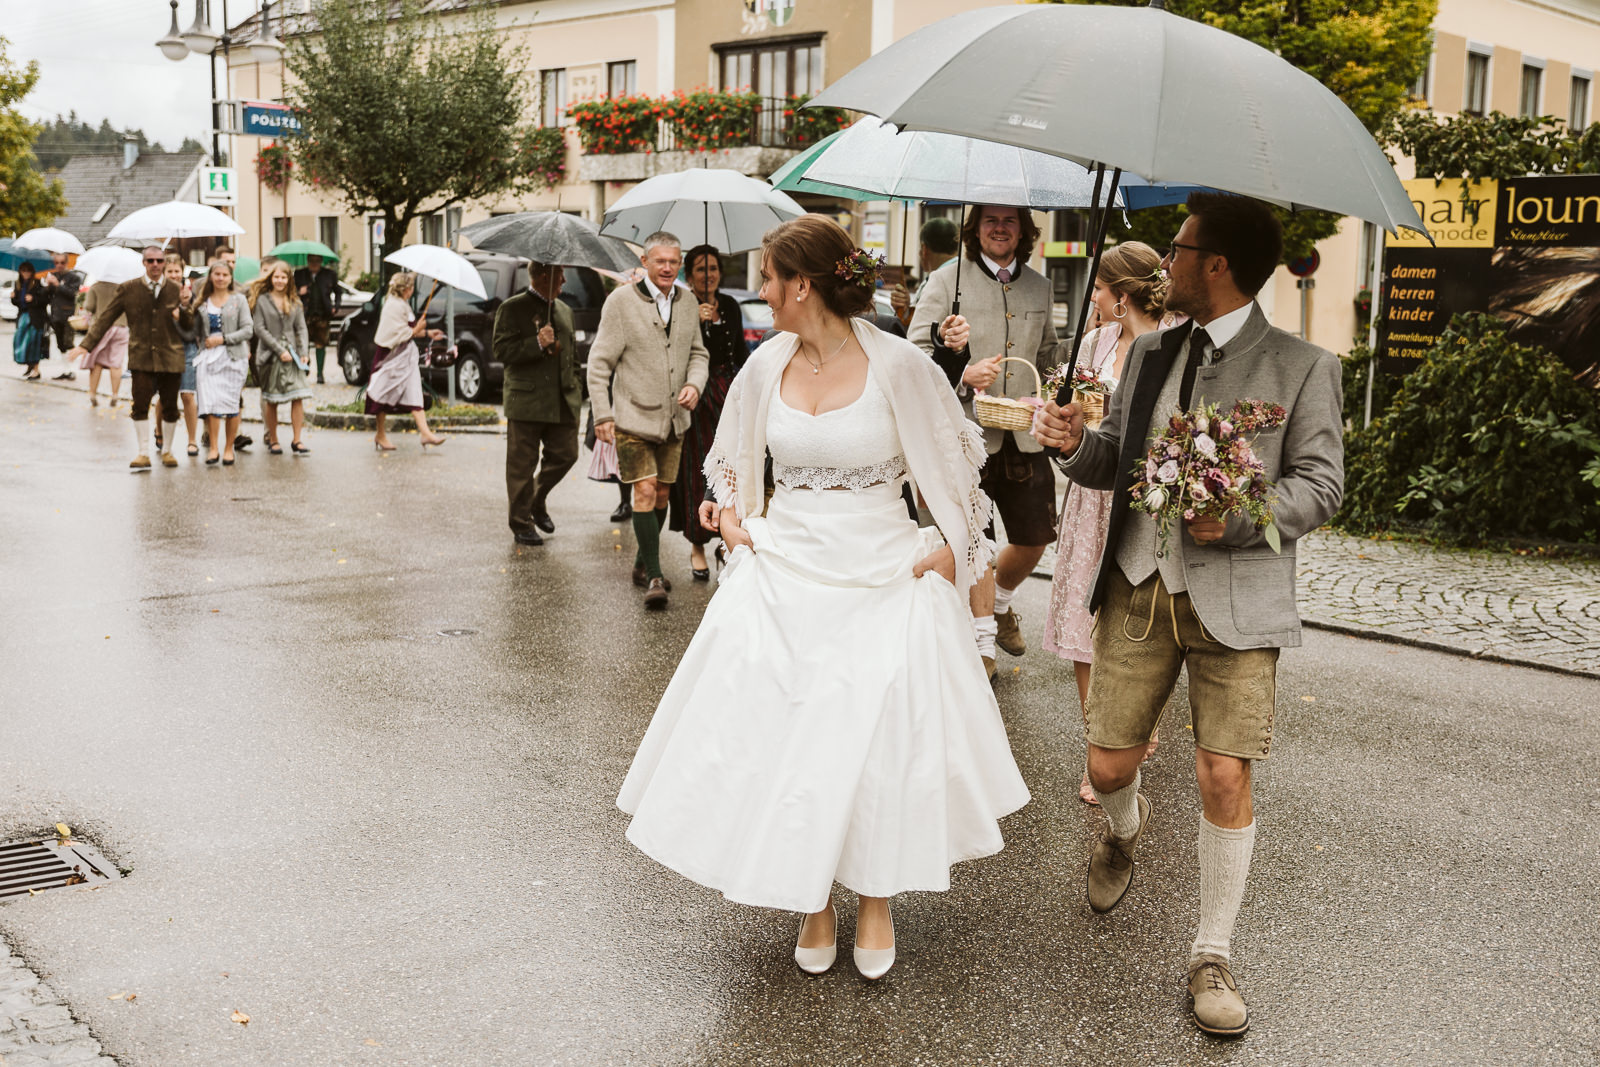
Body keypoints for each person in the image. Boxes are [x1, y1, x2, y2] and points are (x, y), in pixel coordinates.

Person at [617, 214, 1029, 980]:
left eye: (770, 277)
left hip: (880, 575)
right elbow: (731, 460)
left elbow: (961, 481)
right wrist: (730, 515)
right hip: (786, 568)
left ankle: (874, 897)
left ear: (803, 284)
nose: (761, 290)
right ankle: (813, 899)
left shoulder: (902, 365)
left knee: (872, 743)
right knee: (789, 736)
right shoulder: (764, 362)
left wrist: (949, 548)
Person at [1032, 193, 1344, 1036]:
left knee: (1222, 771)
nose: (1165, 259)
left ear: (1218, 264)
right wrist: (1070, 443)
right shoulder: (1151, 353)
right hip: (1138, 584)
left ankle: (1212, 951)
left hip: (1239, 601)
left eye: (1178, 247)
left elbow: (1321, 484)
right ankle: (1124, 833)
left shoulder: (1304, 365)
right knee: (1105, 767)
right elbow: (1115, 462)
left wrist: (1239, 514)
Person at [909, 204, 1060, 681]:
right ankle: (981, 648)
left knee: (1036, 537)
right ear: (975, 230)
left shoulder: (1040, 285)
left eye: (1009, 221)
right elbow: (913, 352)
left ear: (1024, 231)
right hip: (967, 435)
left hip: (1026, 435)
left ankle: (1001, 602)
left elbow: (1051, 353)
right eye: (990, 221)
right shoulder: (945, 280)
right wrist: (962, 374)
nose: (1000, 228)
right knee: (976, 543)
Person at [1040, 242, 1168, 805]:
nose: (1091, 296)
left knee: (1136, 623)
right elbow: (1070, 409)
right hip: (1087, 500)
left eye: (1098, 288)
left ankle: (1134, 728)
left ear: (1121, 298)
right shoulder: (1091, 343)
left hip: (1140, 500)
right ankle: (1100, 748)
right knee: (1080, 625)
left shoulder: (1171, 345)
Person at [586, 231, 709, 610]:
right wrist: (603, 414)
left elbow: (698, 354)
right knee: (644, 490)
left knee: (661, 495)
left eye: (674, 261)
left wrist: (694, 384)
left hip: (676, 422)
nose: (668, 267)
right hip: (632, 418)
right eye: (660, 261)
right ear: (645, 263)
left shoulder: (688, 302)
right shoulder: (620, 303)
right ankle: (655, 577)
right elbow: (599, 363)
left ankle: (643, 562)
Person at [68, 246, 190, 470]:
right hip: (141, 356)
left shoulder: (176, 289)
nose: (155, 265)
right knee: (140, 404)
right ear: (144, 263)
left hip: (171, 356)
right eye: (150, 261)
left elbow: (190, 326)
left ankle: (168, 451)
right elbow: (105, 318)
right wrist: (85, 345)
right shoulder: (129, 288)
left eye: (159, 261)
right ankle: (143, 452)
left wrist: (184, 307)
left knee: (171, 406)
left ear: (164, 263)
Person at [669, 244, 747, 579]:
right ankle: (697, 544)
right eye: (701, 269)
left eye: (713, 268)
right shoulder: (682, 305)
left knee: (733, 464)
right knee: (698, 468)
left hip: (729, 392)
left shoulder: (729, 304)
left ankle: (726, 534)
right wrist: (698, 326)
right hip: (697, 394)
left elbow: (740, 350)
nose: (709, 275)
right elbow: (679, 353)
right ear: (689, 274)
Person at [495, 260, 579, 545]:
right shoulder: (512, 307)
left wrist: (576, 387)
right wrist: (537, 343)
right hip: (526, 401)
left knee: (567, 454)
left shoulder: (565, 311)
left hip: (562, 400)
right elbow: (502, 350)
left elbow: (572, 355)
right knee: (521, 466)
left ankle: (535, 498)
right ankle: (520, 523)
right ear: (545, 276)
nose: (564, 282)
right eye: (561, 275)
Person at [366, 271, 446, 451]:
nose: (412, 291)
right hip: (389, 356)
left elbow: (407, 331)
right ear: (405, 289)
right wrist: (418, 327)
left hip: (405, 357)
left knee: (414, 391)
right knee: (382, 392)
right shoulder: (392, 305)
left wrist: (427, 332)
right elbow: (397, 333)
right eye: (411, 288)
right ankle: (380, 434)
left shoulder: (403, 304)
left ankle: (425, 433)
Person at [191, 259, 252, 466]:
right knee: (211, 402)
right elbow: (193, 330)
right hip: (208, 358)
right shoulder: (202, 302)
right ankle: (214, 448)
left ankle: (229, 448)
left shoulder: (238, 300)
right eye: (217, 274)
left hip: (233, 356)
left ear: (230, 278)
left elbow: (247, 330)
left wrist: (223, 339)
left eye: (225, 275)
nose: (220, 278)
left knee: (231, 402)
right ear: (211, 277)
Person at [250, 260, 314, 455]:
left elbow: (301, 328)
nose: (279, 280)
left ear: (288, 279)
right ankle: (274, 439)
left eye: (283, 277)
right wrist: (279, 350)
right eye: (276, 276)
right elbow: (259, 328)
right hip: (271, 356)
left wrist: (304, 353)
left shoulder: (295, 301)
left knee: (298, 395)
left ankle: (297, 440)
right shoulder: (262, 300)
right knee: (272, 399)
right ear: (271, 278)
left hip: (293, 356)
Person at [156, 255, 200, 457]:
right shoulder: (158, 293)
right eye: (170, 271)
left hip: (187, 348)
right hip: (165, 347)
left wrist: (184, 308)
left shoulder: (189, 294)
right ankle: (159, 431)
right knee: (164, 396)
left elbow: (192, 329)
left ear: (182, 271)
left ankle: (192, 440)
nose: (173, 275)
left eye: (176, 271)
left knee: (188, 394)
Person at [888, 216, 960, 330]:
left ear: (924, 249)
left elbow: (921, 328)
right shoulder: (962, 274)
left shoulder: (938, 281)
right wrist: (906, 309)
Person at [78, 273, 127, 407]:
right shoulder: (123, 287)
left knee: (97, 363)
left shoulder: (96, 287)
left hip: (101, 328)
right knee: (116, 363)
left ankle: (93, 394)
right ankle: (115, 394)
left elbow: (89, 306)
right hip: (121, 327)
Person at [295, 254, 341, 384]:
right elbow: (290, 292)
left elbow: (338, 291)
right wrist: (299, 292)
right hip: (304, 315)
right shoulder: (300, 274)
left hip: (322, 315)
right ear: (307, 261)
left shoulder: (329, 274)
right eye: (311, 261)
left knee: (321, 343)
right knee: (303, 343)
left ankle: (320, 374)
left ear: (321, 262)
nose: (314, 264)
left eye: (317, 261)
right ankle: (304, 368)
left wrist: (335, 307)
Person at [43, 252, 82, 380]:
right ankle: (66, 370)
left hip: (68, 315)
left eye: (62, 262)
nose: (59, 265)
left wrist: (58, 285)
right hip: (55, 315)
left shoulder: (74, 277)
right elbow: (47, 296)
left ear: (66, 263)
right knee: (60, 344)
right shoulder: (52, 275)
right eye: (57, 262)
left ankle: (72, 371)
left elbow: (72, 294)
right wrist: (47, 286)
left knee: (68, 342)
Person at [10, 262, 49, 380]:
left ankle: (36, 370)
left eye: (28, 270)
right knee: (20, 342)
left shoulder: (37, 283)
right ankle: (29, 366)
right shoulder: (19, 285)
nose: (25, 273)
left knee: (34, 343)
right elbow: (18, 303)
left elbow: (45, 300)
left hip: (35, 319)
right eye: (23, 270)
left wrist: (34, 299)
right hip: (23, 318)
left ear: (32, 272)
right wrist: (13, 298)